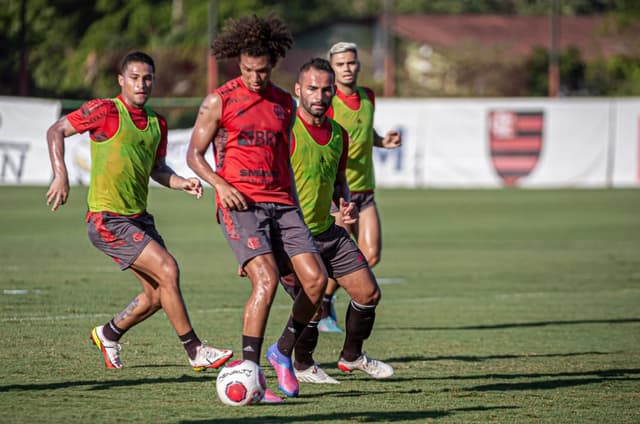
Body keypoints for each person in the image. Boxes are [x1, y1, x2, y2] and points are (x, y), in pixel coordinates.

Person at [45, 51, 233, 372]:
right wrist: (61, 173)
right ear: (122, 80)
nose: (141, 84)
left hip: (139, 218)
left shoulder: (157, 123)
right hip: (107, 219)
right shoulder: (104, 111)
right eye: (134, 77)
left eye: (147, 78)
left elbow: (157, 169)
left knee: (159, 293)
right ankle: (195, 351)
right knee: (169, 270)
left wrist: (181, 182)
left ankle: (109, 333)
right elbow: (56, 130)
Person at [186, 15, 328, 402]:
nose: (255, 78)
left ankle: (281, 351)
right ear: (239, 65)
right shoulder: (220, 100)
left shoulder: (285, 104)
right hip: (241, 204)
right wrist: (221, 184)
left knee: (316, 282)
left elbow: (284, 163)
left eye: (262, 71)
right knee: (264, 280)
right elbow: (194, 155)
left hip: (283, 204)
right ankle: (251, 371)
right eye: (248, 70)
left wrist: (296, 209)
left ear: (273, 65)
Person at [278, 57, 394, 384]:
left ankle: (352, 356)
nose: (319, 95)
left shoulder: (338, 135)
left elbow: (340, 178)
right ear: (298, 89)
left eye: (325, 89)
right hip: (293, 237)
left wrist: (344, 203)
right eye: (312, 88)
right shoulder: (286, 132)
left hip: (328, 231)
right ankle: (302, 364)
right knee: (312, 307)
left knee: (368, 293)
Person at [317, 41, 402, 333]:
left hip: (365, 190)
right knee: (341, 253)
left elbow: (365, 132)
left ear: (358, 64)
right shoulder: (327, 101)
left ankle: (326, 298)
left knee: (371, 254)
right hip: (341, 194)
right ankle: (322, 305)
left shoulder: (368, 97)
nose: (347, 68)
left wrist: (382, 141)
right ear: (332, 67)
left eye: (351, 62)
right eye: (340, 64)